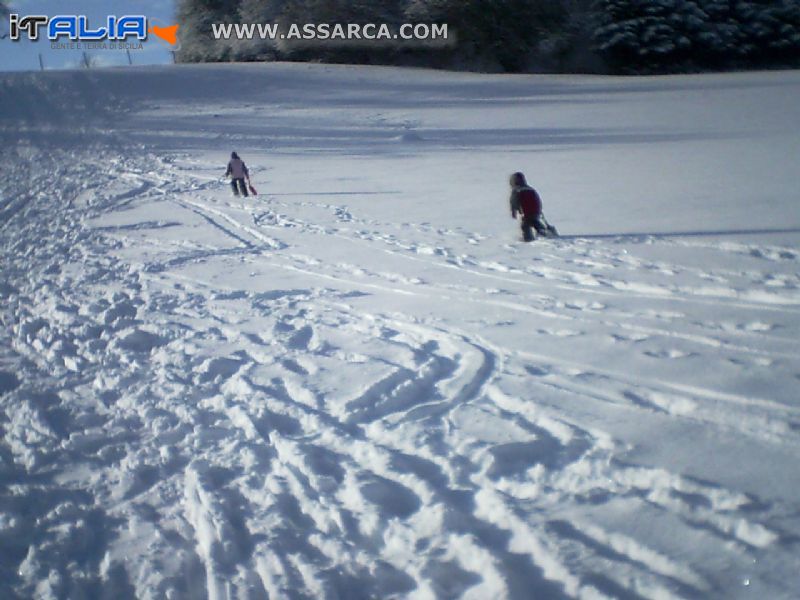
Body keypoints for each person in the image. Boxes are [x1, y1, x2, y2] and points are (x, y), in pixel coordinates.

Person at [509, 172, 558, 242]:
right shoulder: (530, 189)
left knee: (525, 225)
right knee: (534, 221)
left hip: (526, 211)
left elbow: (513, 201)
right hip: (535, 210)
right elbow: (537, 199)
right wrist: (539, 209)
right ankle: (542, 232)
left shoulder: (516, 190)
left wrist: (514, 211)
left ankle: (528, 238)